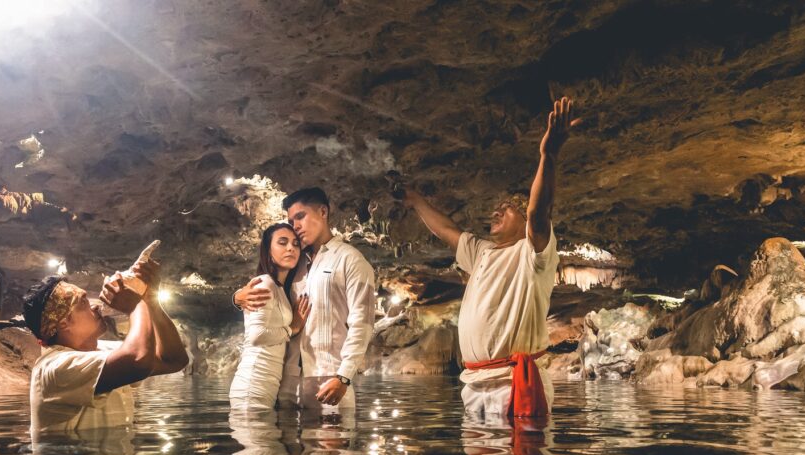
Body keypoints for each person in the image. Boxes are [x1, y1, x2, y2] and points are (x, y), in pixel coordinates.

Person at [402, 96, 579, 421]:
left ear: (522, 219)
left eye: (508, 207)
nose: (497, 210)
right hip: (474, 384)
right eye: (496, 207)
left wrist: (548, 155)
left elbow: (540, 213)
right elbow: (446, 229)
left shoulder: (532, 254)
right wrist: (415, 200)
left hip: (513, 384)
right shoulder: (481, 252)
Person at [233, 187, 376, 415]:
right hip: (287, 383)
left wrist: (344, 376)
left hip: (329, 378)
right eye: (291, 220)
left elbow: (363, 323)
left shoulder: (351, 261)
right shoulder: (295, 265)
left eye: (300, 216)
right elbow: (267, 287)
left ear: (323, 212)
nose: (295, 226)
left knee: (331, 449)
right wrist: (237, 297)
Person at [23, 251, 188, 434]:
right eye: (83, 303)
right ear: (63, 322)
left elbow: (174, 360)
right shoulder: (54, 369)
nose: (94, 306)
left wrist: (150, 300)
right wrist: (134, 304)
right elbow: (138, 361)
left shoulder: (102, 350)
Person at [229, 223, 311, 411]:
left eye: (295, 244)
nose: (291, 248)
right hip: (254, 382)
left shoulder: (279, 287)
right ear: (268, 250)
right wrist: (293, 328)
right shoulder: (264, 284)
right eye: (282, 243)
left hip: (266, 382)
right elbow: (257, 335)